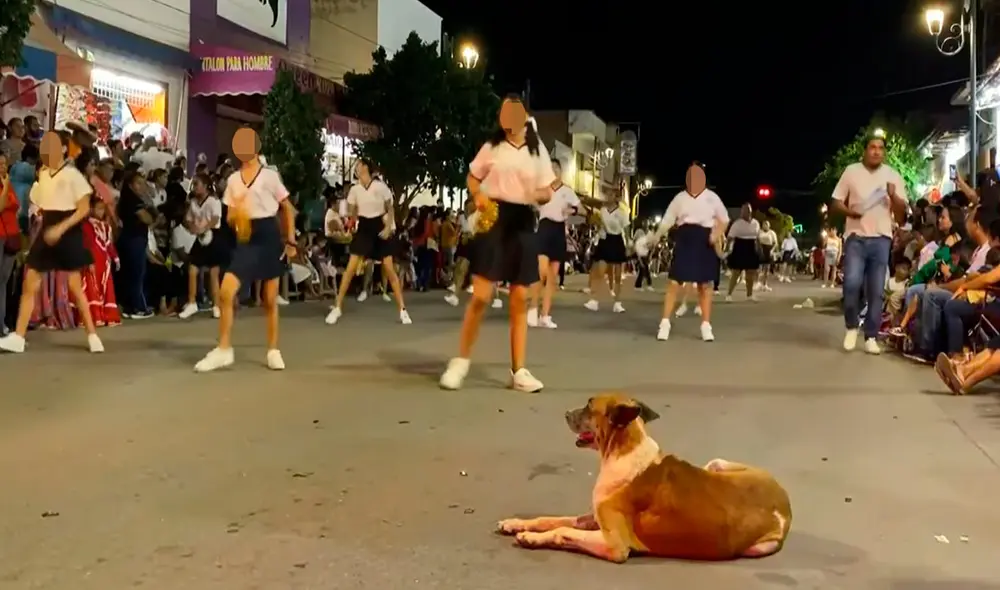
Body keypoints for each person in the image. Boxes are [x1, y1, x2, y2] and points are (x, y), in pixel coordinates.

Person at [439, 96, 556, 392]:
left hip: (523, 220)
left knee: (519, 298)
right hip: (495, 218)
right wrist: (478, 196)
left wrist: (540, 194)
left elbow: (547, 189)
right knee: (480, 294)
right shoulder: (492, 147)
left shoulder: (537, 150)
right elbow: (473, 176)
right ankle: (460, 361)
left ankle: (518, 371)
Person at [193, 127, 296, 372]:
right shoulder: (232, 180)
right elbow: (228, 216)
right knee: (227, 291)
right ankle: (224, 349)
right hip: (246, 238)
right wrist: (237, 216)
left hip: (268, 235)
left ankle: (273, 349)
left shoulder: (270, 176)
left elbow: (287, 208)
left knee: (269, 299)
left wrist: (290, 240)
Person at [0, 131, 103, 353]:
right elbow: (38, 199)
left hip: (67, 229)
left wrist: (61, 228)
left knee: (75, 286)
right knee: (30, 282)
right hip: (47, 226)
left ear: (64, 148)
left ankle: (93, 335)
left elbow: (84, 208)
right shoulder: (44, 173)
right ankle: (18, 337)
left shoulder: (73, 174)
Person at [830, 132, 907, 354]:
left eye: (880, 148)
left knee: (875, 291)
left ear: (884, 152)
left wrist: (894, 197)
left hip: (882, 239)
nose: (876, 151)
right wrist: (849, 211)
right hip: (856, 237)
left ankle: (871, 336)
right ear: (865, 150)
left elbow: (902, 217)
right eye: (872, 147)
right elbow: (835, 203)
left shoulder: (892, 176)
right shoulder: (851, 172)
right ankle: (851, 326)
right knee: (851, 284)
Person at [645, 162, 728, 341]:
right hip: (685, 238)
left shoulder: (712, 197)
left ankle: (706, 326)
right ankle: (665, 323)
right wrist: (657, 236)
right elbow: (668, 219)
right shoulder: (680, 198)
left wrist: (716, 234)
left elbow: (724, 219)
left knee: (704, 285)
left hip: (704, 239)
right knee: (674, 282)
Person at [324, 158, 410, 325]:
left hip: (378, 225)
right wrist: (349, 217)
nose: (357, 168)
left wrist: (387, 227)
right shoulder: (355, 189)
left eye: (359, 165)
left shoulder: (380, 187)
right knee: (350, 268)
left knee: (389, 269)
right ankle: (337, 307)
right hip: (363, 227)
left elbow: (389, 208)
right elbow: (351, 211)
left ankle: (403, 310)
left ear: (366, 168)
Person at [528, 158, 581, 327]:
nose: (554, 171)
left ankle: (545, 316)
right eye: (550, 169)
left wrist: (572, 209)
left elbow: (583, 210)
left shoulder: (568, 191)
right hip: (544, 227)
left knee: (553, 276)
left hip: (559, 229)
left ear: (560, 171)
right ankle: (533, 308)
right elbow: (531, 202)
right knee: (542, 272)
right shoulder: (542, 189)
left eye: (556, 168)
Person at [178, 173, 226, 319]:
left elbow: (215, 218)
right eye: (194, 184)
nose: (194, 187)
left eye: (197, 184)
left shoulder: (213, 201)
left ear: (205, 186)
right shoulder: (192, 202)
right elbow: (187, 219)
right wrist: (192, 227)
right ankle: (192, 303)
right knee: (192, 269)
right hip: (200, 238)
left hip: (214, 237)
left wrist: (204, 228)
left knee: (213, 273)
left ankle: (216, 305)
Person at [583, 194, 630, 313]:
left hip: (617, 240)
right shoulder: (603, 210)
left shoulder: (621, 212)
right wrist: (595, 221)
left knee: (618, 275)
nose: (607, 197)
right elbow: (595, 219)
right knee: (600, 271)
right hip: (605, 240)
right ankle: (594, 300)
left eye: (611, 195)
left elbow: (626, 228)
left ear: (616, 198)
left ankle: (617, 303)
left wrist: (629, 244)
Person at [724, 203, 761, 301]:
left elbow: (757, 238)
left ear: (750, 211)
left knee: (750, 273)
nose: (745, 212)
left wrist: (759, 250)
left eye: (747, 210)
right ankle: (729, 295)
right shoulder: (737, 224)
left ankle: (749, 295)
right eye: (743, 210)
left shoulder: (756, 223)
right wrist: (727, 251)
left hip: (751, 247)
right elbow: (730, 238)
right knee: (736, 272)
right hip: (740, 246)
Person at [757, 220, 777, 291]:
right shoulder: (759, 232)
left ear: (769, 226)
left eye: (766, 225)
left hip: (769, 249)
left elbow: (775, 243)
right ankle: (758, 283)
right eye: (763, 225)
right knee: (759, 268)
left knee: (766, 268)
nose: (765, 226)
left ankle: (765, 284)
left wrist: (772, 250)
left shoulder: (772, 233)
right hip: (761, 249)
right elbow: (757, 241)